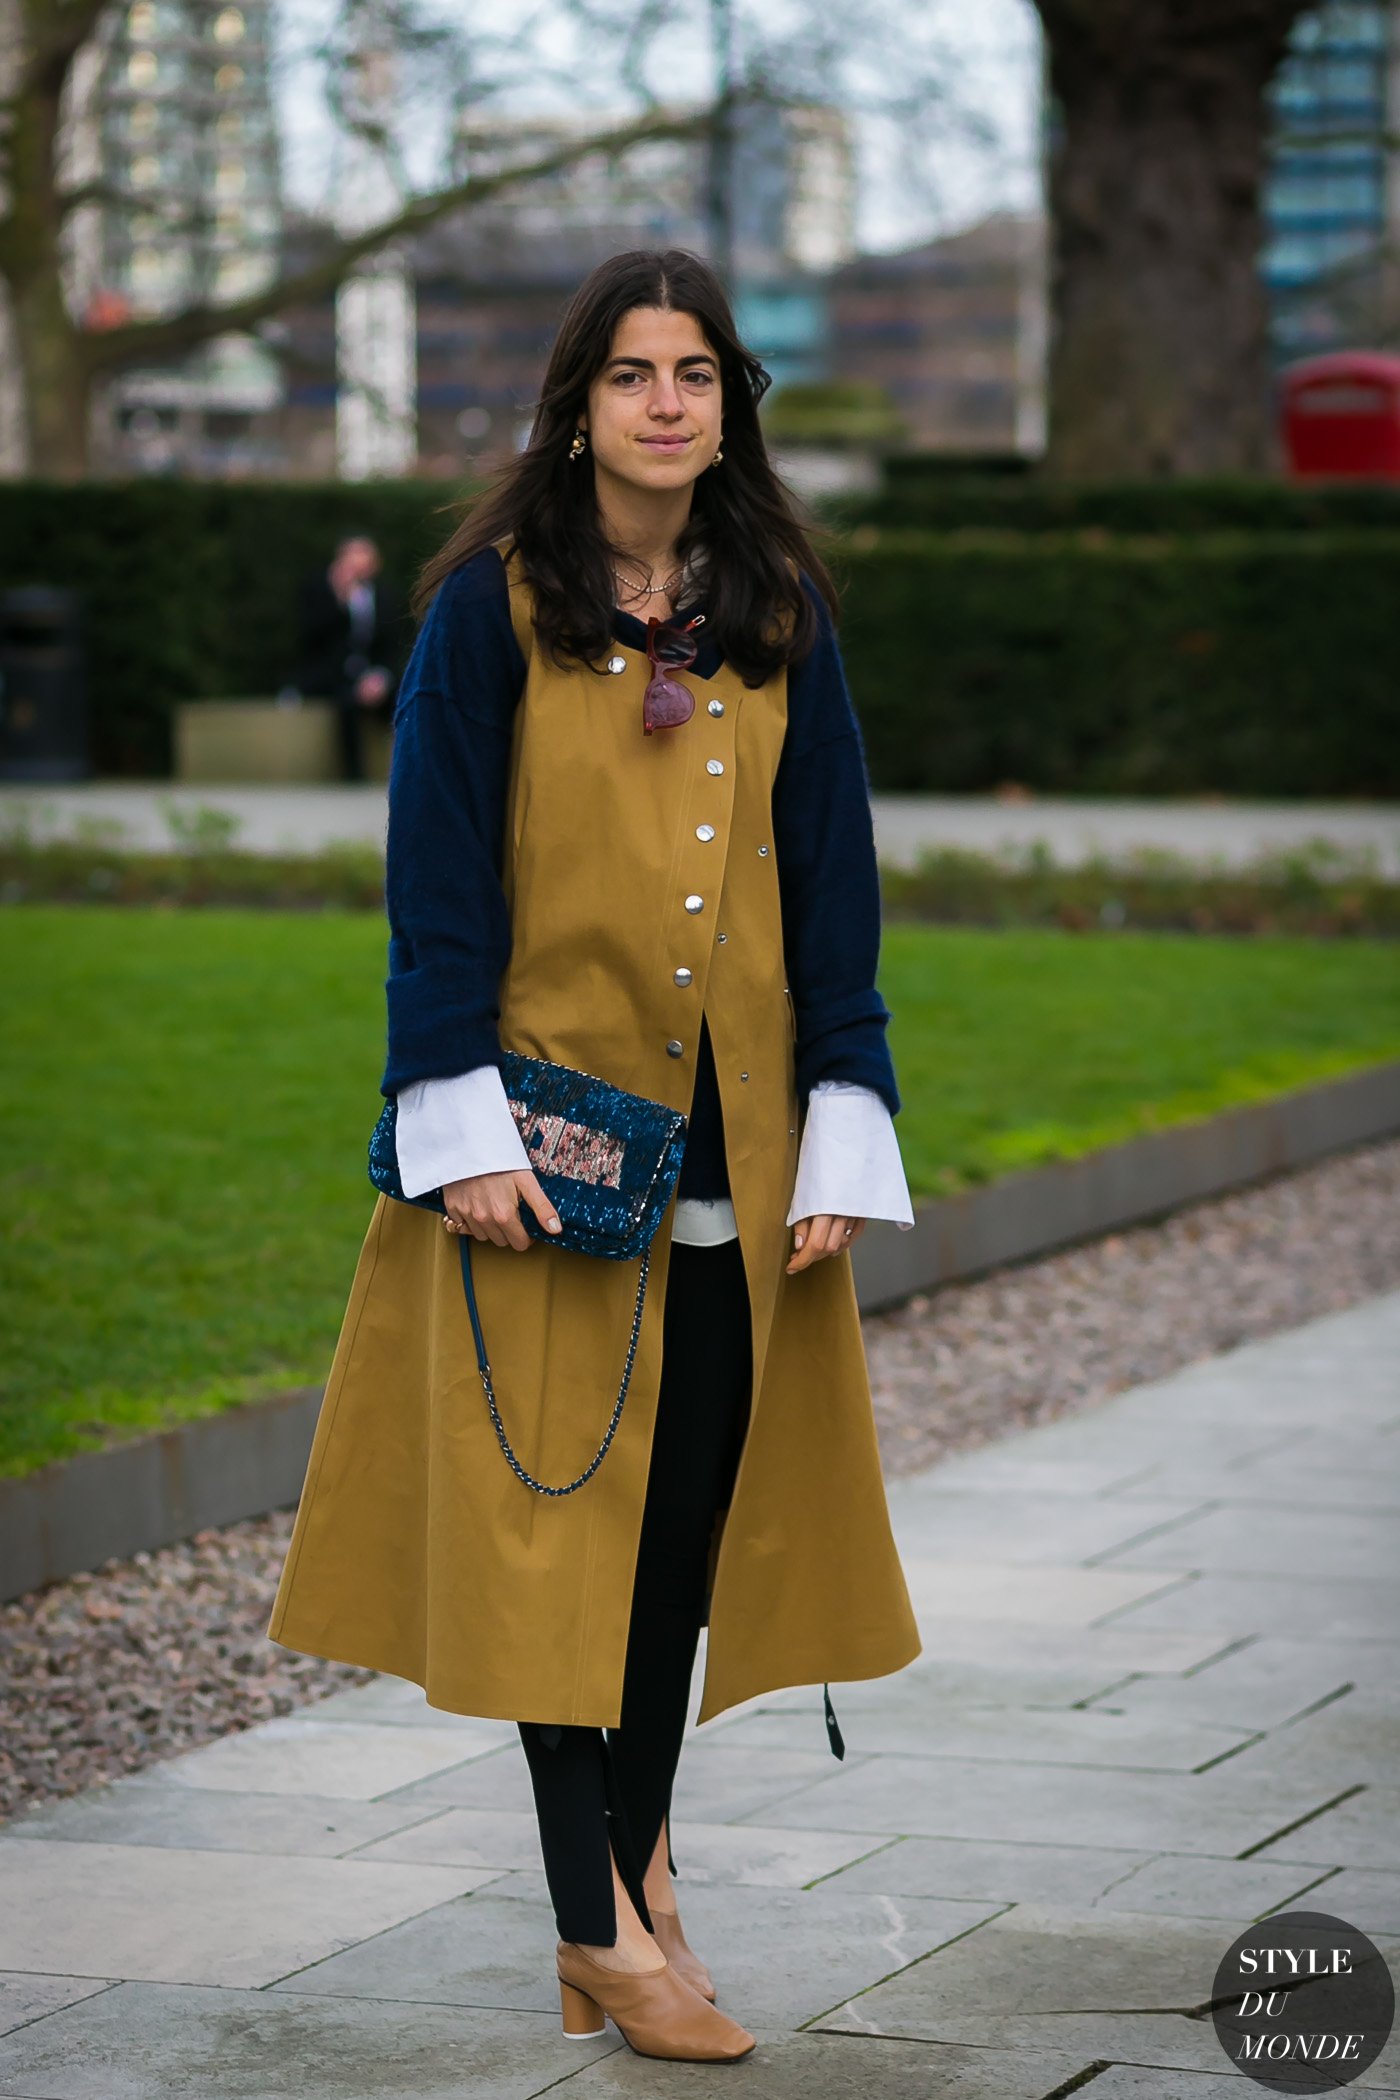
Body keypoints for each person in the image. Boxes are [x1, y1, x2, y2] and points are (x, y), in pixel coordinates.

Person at [267, 248, 922, 2065]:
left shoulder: (777, 600)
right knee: (551, 1534)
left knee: (675, 1542)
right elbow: (438, 881)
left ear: (730, 404)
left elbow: (839, 871)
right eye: (631, 371)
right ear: (577, 399)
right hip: (548, 1159)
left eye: (695, 372)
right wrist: (451, 1115)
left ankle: (630, 1888)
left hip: (744, 1143)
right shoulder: (490, 608)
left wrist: (846, 1116)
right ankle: (599, 1925)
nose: (664, 401)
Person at [298, 533, 405, 781]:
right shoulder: (320, 592)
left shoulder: (386, 595)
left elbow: (393, 644)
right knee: (346, 705)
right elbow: (313, 640)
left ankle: (404, 769)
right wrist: (340, 599)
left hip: (375, 675)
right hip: (337, 676)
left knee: (400, 699)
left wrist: (381, 677)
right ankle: (353, 776)